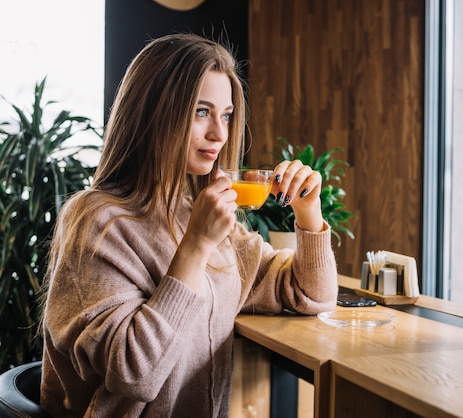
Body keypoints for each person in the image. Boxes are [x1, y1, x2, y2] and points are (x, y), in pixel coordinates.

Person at [40, 33, 338, 417]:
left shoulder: (199, 216)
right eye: (201, 112)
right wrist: (196, 246)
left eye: (226, 115)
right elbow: (134, 375)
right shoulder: (97, 222)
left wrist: (308, 211)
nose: (219, 133)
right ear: (155, 111)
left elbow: (310, 295)